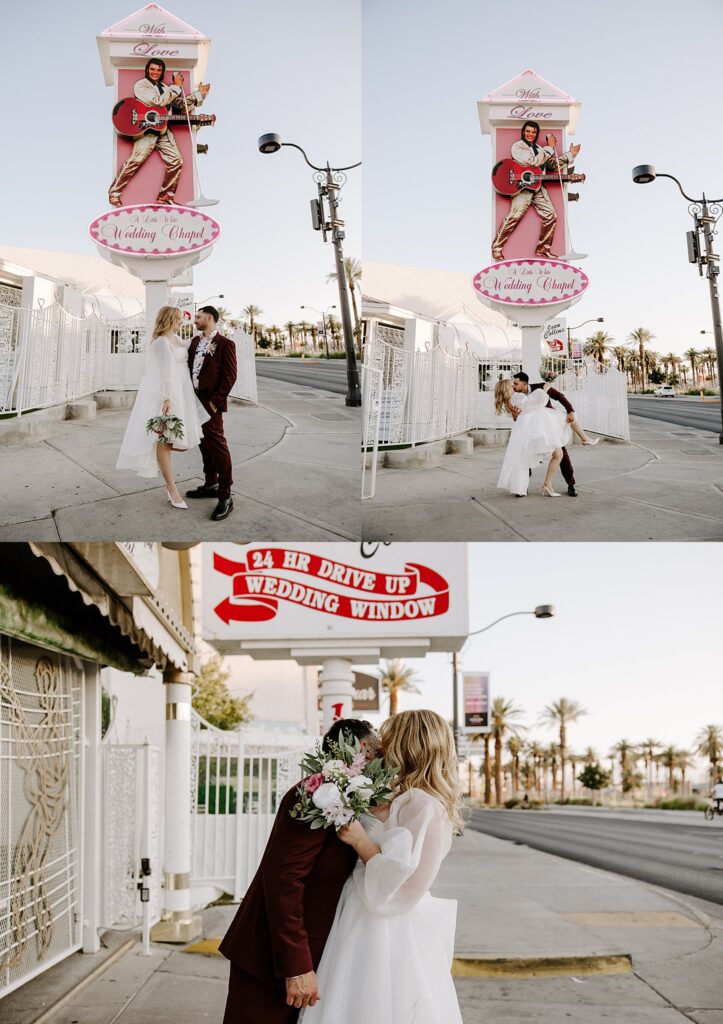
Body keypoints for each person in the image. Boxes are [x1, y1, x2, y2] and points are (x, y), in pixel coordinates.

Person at [301, 709, 464, 1024]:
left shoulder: (423, 805)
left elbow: (401, 887)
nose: (381, 746)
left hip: (382, 928)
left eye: (388, 739)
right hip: (359, 916)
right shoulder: (405, 799)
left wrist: (361, 842)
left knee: (371, 1005)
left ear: (407, 746)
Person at [219, 718, 378, 1024]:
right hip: (270, 958)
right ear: (361, 750)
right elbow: (284, 880)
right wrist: (297, 966)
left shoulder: (345, 794)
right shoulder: (317, 795)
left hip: (305, 953)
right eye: (377, 751)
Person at [116, 304, 208, 507]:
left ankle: (166, 475)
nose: (180, 322)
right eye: (177, 319)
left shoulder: (176, 340)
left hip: (183, 395)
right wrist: (167, 399)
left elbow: (190, 351)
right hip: (169, 396)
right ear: (168, 319)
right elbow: (165, 372)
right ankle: (171, 488)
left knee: (178, 442)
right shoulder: (160, 343)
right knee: (165, 440)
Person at [108, 58, 210, 207]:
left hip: (162, 129)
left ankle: (165, 196)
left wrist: (198, 95)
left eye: (158, 70)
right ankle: (114, 192)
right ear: (147, 70)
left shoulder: (165, 87)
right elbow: (157, 102)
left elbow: (178, 105)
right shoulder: (141, 85)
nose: (155, 72)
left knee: (176, 161)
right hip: (145, 128)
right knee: (135, 161)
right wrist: (176, 87)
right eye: (152, 69)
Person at [491, 119, 581, 260]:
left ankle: (543, 248)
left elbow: (551, 165)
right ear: (523, 132)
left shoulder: (539, 149)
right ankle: (497, 247)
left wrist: (570, 154)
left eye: (533, 132)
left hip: (537, 186)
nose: (530, 134)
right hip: (521, 187)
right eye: (528, 131)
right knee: (514, 216)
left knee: (551, 215)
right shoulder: (518, 147)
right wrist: (550, 148)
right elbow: (533, 162)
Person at [185, 306, 237, 521]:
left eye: (198, 317)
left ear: (209, 318)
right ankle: (211, 483)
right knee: (203, 443)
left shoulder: (226, 344)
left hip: (210, 403)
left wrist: (214, 404)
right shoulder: (195, 342)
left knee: (217, 446)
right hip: (192, 400)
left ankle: (225, 496)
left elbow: (230, 376)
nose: (195, 320)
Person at [512, 370, 593, 495]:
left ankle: (571, 484)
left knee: (562, 455)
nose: (514, 386)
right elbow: (516, 418)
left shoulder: (540, 387)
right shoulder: (516, 396)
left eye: (516, 383)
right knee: (526, 454)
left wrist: (570, 411)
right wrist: (516, 415)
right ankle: (523, 486)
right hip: (531, 429)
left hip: (549, 425)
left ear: (524, 383)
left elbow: (560, 396)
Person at [494, 378, 572, 497]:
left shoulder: (508, 402)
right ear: (506, 389)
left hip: (524, 432)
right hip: (537, 429)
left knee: (523, 459)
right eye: (511, 385)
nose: (514, 386)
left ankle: (521, 488)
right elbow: (534, 401)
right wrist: (545, 389)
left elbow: (520, 414)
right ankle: (547, 485)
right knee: (558, 454)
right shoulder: (516, 397)